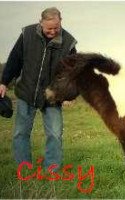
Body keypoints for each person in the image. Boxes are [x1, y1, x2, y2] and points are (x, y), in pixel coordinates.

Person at [0, 7, 77, 171]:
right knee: (20, 133)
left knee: (55, 135)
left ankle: (52, 170)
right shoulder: (27, 34)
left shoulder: (68, 43)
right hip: (26, 92)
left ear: (60, 22)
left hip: (52, 97)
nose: (53, 31)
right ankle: (24, 169)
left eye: (56, 27)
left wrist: (69, 95)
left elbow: (71, 74)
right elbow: (15, 59)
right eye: (49, 28)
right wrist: (4, 82)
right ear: (41, 22)